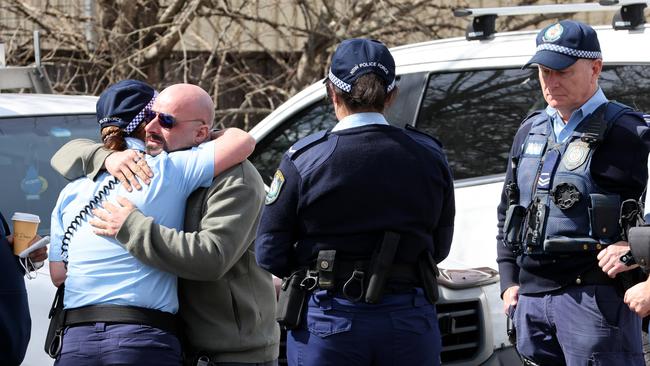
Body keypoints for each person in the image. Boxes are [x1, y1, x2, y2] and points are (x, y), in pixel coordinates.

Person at [255, 38, 455, 366]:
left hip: (328, 318)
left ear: (331, 94)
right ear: (393, 95)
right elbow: (440, 245)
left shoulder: (305, 159)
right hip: (408, 317)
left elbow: (269, 252)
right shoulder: (430, 155)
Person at [50, 84, 280, 365]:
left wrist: (132, 227)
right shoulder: (158, 167)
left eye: (166, 120)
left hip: (230, 352)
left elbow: (213, 256)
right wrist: (105, 156)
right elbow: (64, 154)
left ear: (201, 133)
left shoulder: (228, 176)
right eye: (150, 116)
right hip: (179, 344)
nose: (151, 126)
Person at [496, 20, 649, 365]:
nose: (550, 82)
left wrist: (636, 247)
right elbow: (509, 209)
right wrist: (508, 280)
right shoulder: (530, 130)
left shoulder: (628, 132)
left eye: (562, 71)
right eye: (544, 71)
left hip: (593, 301)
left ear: (596, 68)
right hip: (531, 303)